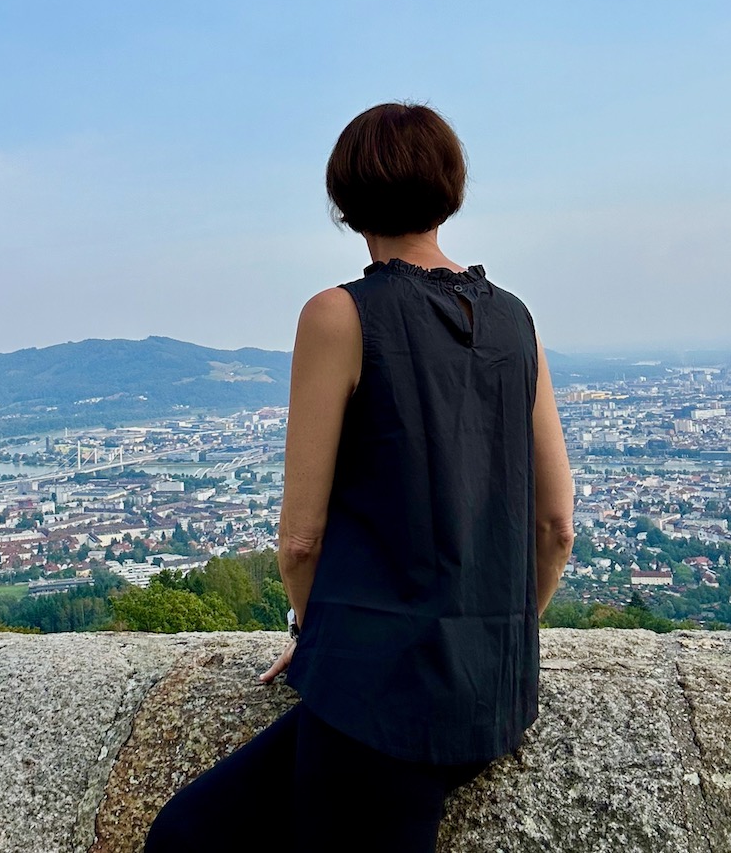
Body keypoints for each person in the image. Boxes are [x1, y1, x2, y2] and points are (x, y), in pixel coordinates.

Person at [143, 102, 575, 853]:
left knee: (189, 837)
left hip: (380, 698)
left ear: (344, 199)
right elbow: (553, 525)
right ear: (451, 190)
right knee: (191, 830)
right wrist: (500, 645)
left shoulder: (339, 314)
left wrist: (314, 636)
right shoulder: (516, 319)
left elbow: (300, 539)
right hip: (491, 699)